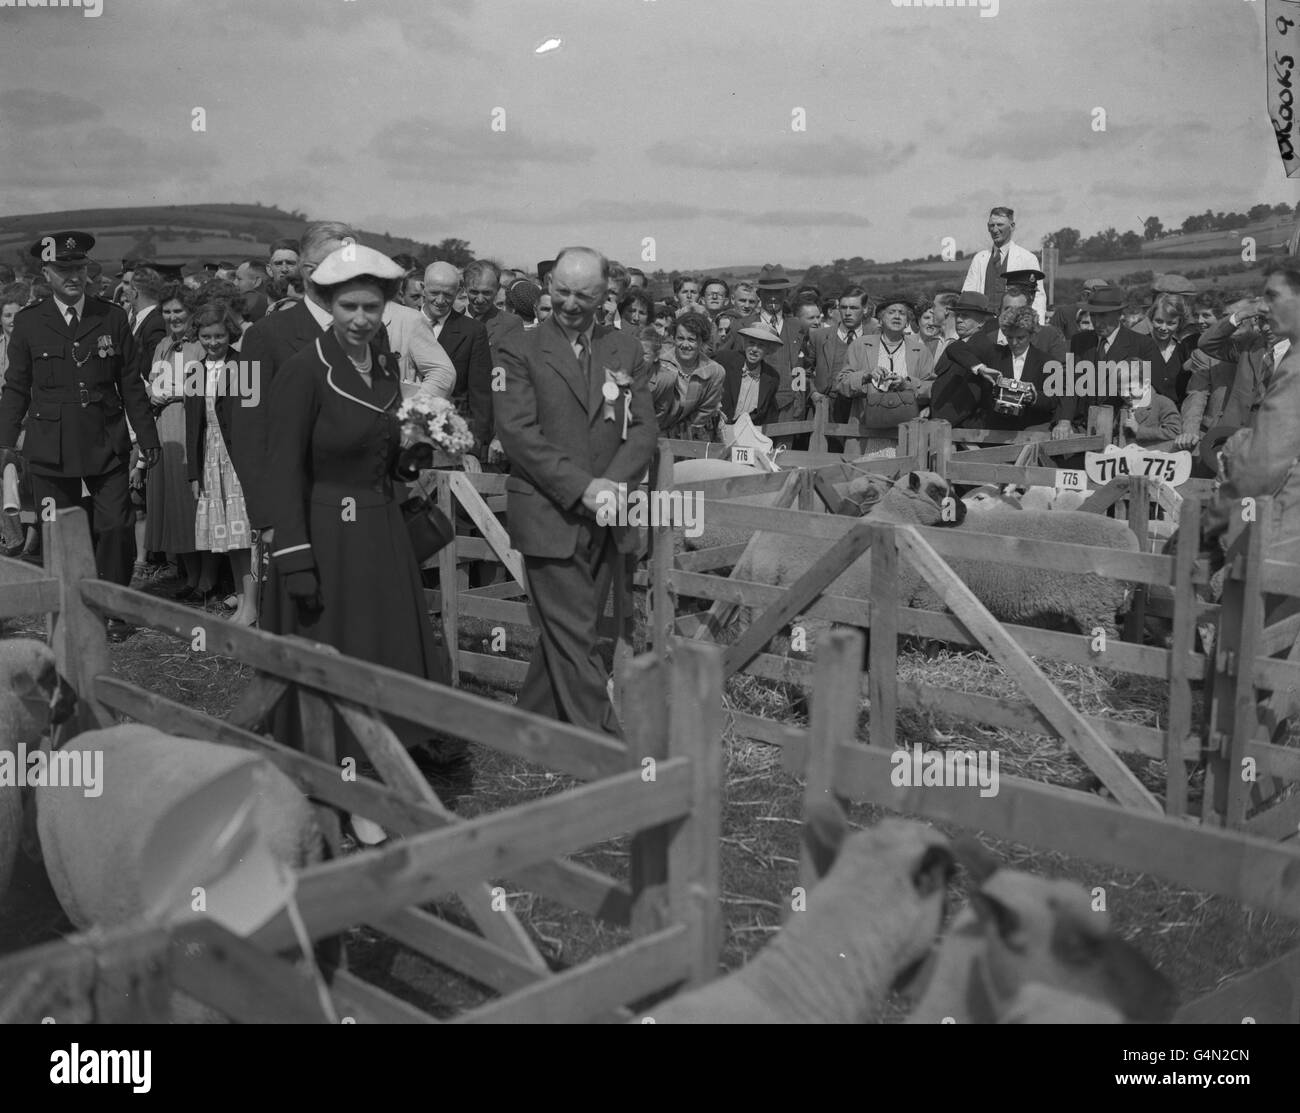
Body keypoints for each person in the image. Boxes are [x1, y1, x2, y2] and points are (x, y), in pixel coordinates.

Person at [264, 244, 452, 781]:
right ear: (328, 304)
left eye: (372, 307)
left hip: (380, 532)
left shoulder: (388, 365)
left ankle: (377, 762)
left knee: (379, 650)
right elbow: (282, 470)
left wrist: (414, 454)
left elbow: (383, 458)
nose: (361, 319)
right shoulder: (304, 371)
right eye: (349, 307)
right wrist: (295, 557)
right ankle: (329, 770)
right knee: (335, 653)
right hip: (325, 536)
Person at [493, 246, 656, 737]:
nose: (569, 303)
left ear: (606, 295)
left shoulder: (624, 348)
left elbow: (644, 429)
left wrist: (612, 485)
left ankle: (531, 727)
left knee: (572, 628)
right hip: (549, 511)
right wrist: (584, 488)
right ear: (548, 288)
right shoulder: (516, 347)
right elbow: (519, 434)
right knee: (574, 631)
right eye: (560, 291)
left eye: (582, 295)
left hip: (607, 511)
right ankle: (606, 747)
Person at [0, 231, 160, 629]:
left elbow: (131, 383)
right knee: (56, 528)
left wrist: (148, 437)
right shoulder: (29, 322)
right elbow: (17, 387)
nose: (73, 275)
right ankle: (71, 602)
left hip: (105, 440)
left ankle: (114, 602)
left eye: (78, 267)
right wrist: (3, 443)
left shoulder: (111, 316)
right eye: (63, 269)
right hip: (51, 447)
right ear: (46, 273)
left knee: (116, 525)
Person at [233, 221, 362, 541]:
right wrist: (266, 517)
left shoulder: (372, 331)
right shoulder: (262, 337)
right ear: (308, 269)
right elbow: (246, 429)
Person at [187, 300, 255, 621]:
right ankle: (243, 602)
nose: (213, 343)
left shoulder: (244, 366)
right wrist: (193, 472)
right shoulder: (195, 370)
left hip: (238, 459)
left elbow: (255, 417)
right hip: (210, 458)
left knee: (245, 536)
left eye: (218, 336)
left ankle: (251, 604)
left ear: (230, 333)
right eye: (206, 337)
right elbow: (192, 426)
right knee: (229, 538)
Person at [144, 281, 201, 590]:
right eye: (166, 311)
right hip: (163, 426)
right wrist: (152, 391)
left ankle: (203, 578)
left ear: (190, 311)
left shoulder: (199, 344)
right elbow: (153, 379)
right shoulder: (162, 345)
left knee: (187, 499)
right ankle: (183, 571)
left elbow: (210, 384)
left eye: (178, 310)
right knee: (170, 501)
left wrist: (175, 392)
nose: (172, 316)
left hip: (186, 422)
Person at [1052, 285, 1160, 440]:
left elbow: (1153, 393)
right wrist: (1064, 421)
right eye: (1093, 315)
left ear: (1119, 314)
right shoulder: (1079, 341)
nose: (1096, 322)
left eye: (1103, 315)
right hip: (1082, 428)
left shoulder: (1142, 345)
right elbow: (1070, 385)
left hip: (1123, 431)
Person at [718, 263, 810, 442]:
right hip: (751, 409)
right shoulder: (742, 325)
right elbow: (723, 362)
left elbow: (802, 369)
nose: (773, 298)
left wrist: (799, 403)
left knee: (782, 460)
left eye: (779, 292)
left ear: (787, 294)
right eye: (768, 293)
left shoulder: (798, 327)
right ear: (759, 295)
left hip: (786, 406)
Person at [836, 292, 935, 448]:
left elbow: (931, 388)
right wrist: (866, 376)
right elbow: (842, 384)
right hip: (866, 431)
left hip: (906, 433)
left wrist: (907, 384)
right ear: (880, 318)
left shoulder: (920, 351)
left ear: (908, 320)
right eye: (891, 312)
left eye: (902, 313)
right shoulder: (860, 345)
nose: (897, 317)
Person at [419, 261, 495, 459]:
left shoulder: (472, 332)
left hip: (449, 444)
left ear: (458, 291)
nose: (441, 300)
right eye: (434, 293)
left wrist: (472, 448)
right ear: (422, 288)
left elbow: (480, 398)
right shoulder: (403, 322)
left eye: (448, 295)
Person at [965, 306, 1060, 432]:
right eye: (1009, 337)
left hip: (1029, 431)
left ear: (1032, 335)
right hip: (993, 430)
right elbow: (955, 349)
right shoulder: (993, 353)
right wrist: (979, 367)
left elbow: (1053, 400)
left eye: (1020, 338)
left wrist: (1034, 397)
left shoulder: (1047, 361)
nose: (1014, 343)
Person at [807, 286, 869, 452]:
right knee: (827, 458)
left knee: (856, 456)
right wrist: (813, 393)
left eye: (854, 308)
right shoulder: (819, 336)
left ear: (865, 309)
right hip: (826, 406)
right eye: (843, 307)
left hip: (860, 406)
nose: (848, 313)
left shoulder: (874, 337)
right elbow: (803, 370)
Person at [962, 206, 1047, 322]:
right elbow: (968, 295)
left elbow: (1038, 298)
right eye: (992, 225)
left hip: (1014, 324)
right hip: (983, 325)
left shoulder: (1027, 258)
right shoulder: (979, 259)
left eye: (1000, 225)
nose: (995, 230)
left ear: (1012, 226)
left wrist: (1037, 328)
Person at [659, 313, 724, 440]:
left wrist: (681, 434)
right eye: (680, 338)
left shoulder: (715, 372)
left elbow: (705, 412)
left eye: (691, 339)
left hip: (687, 434)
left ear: (701, 342)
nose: (685, 344)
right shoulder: (659, 360)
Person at [717, 322, 782, 427]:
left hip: (747, 433)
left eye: (761, 346)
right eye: (751, 343)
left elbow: (768, 415)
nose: (754, 350)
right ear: (745, 343)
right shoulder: (724, 360)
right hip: (717, 430)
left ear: (768, 350)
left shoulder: (772, 377)